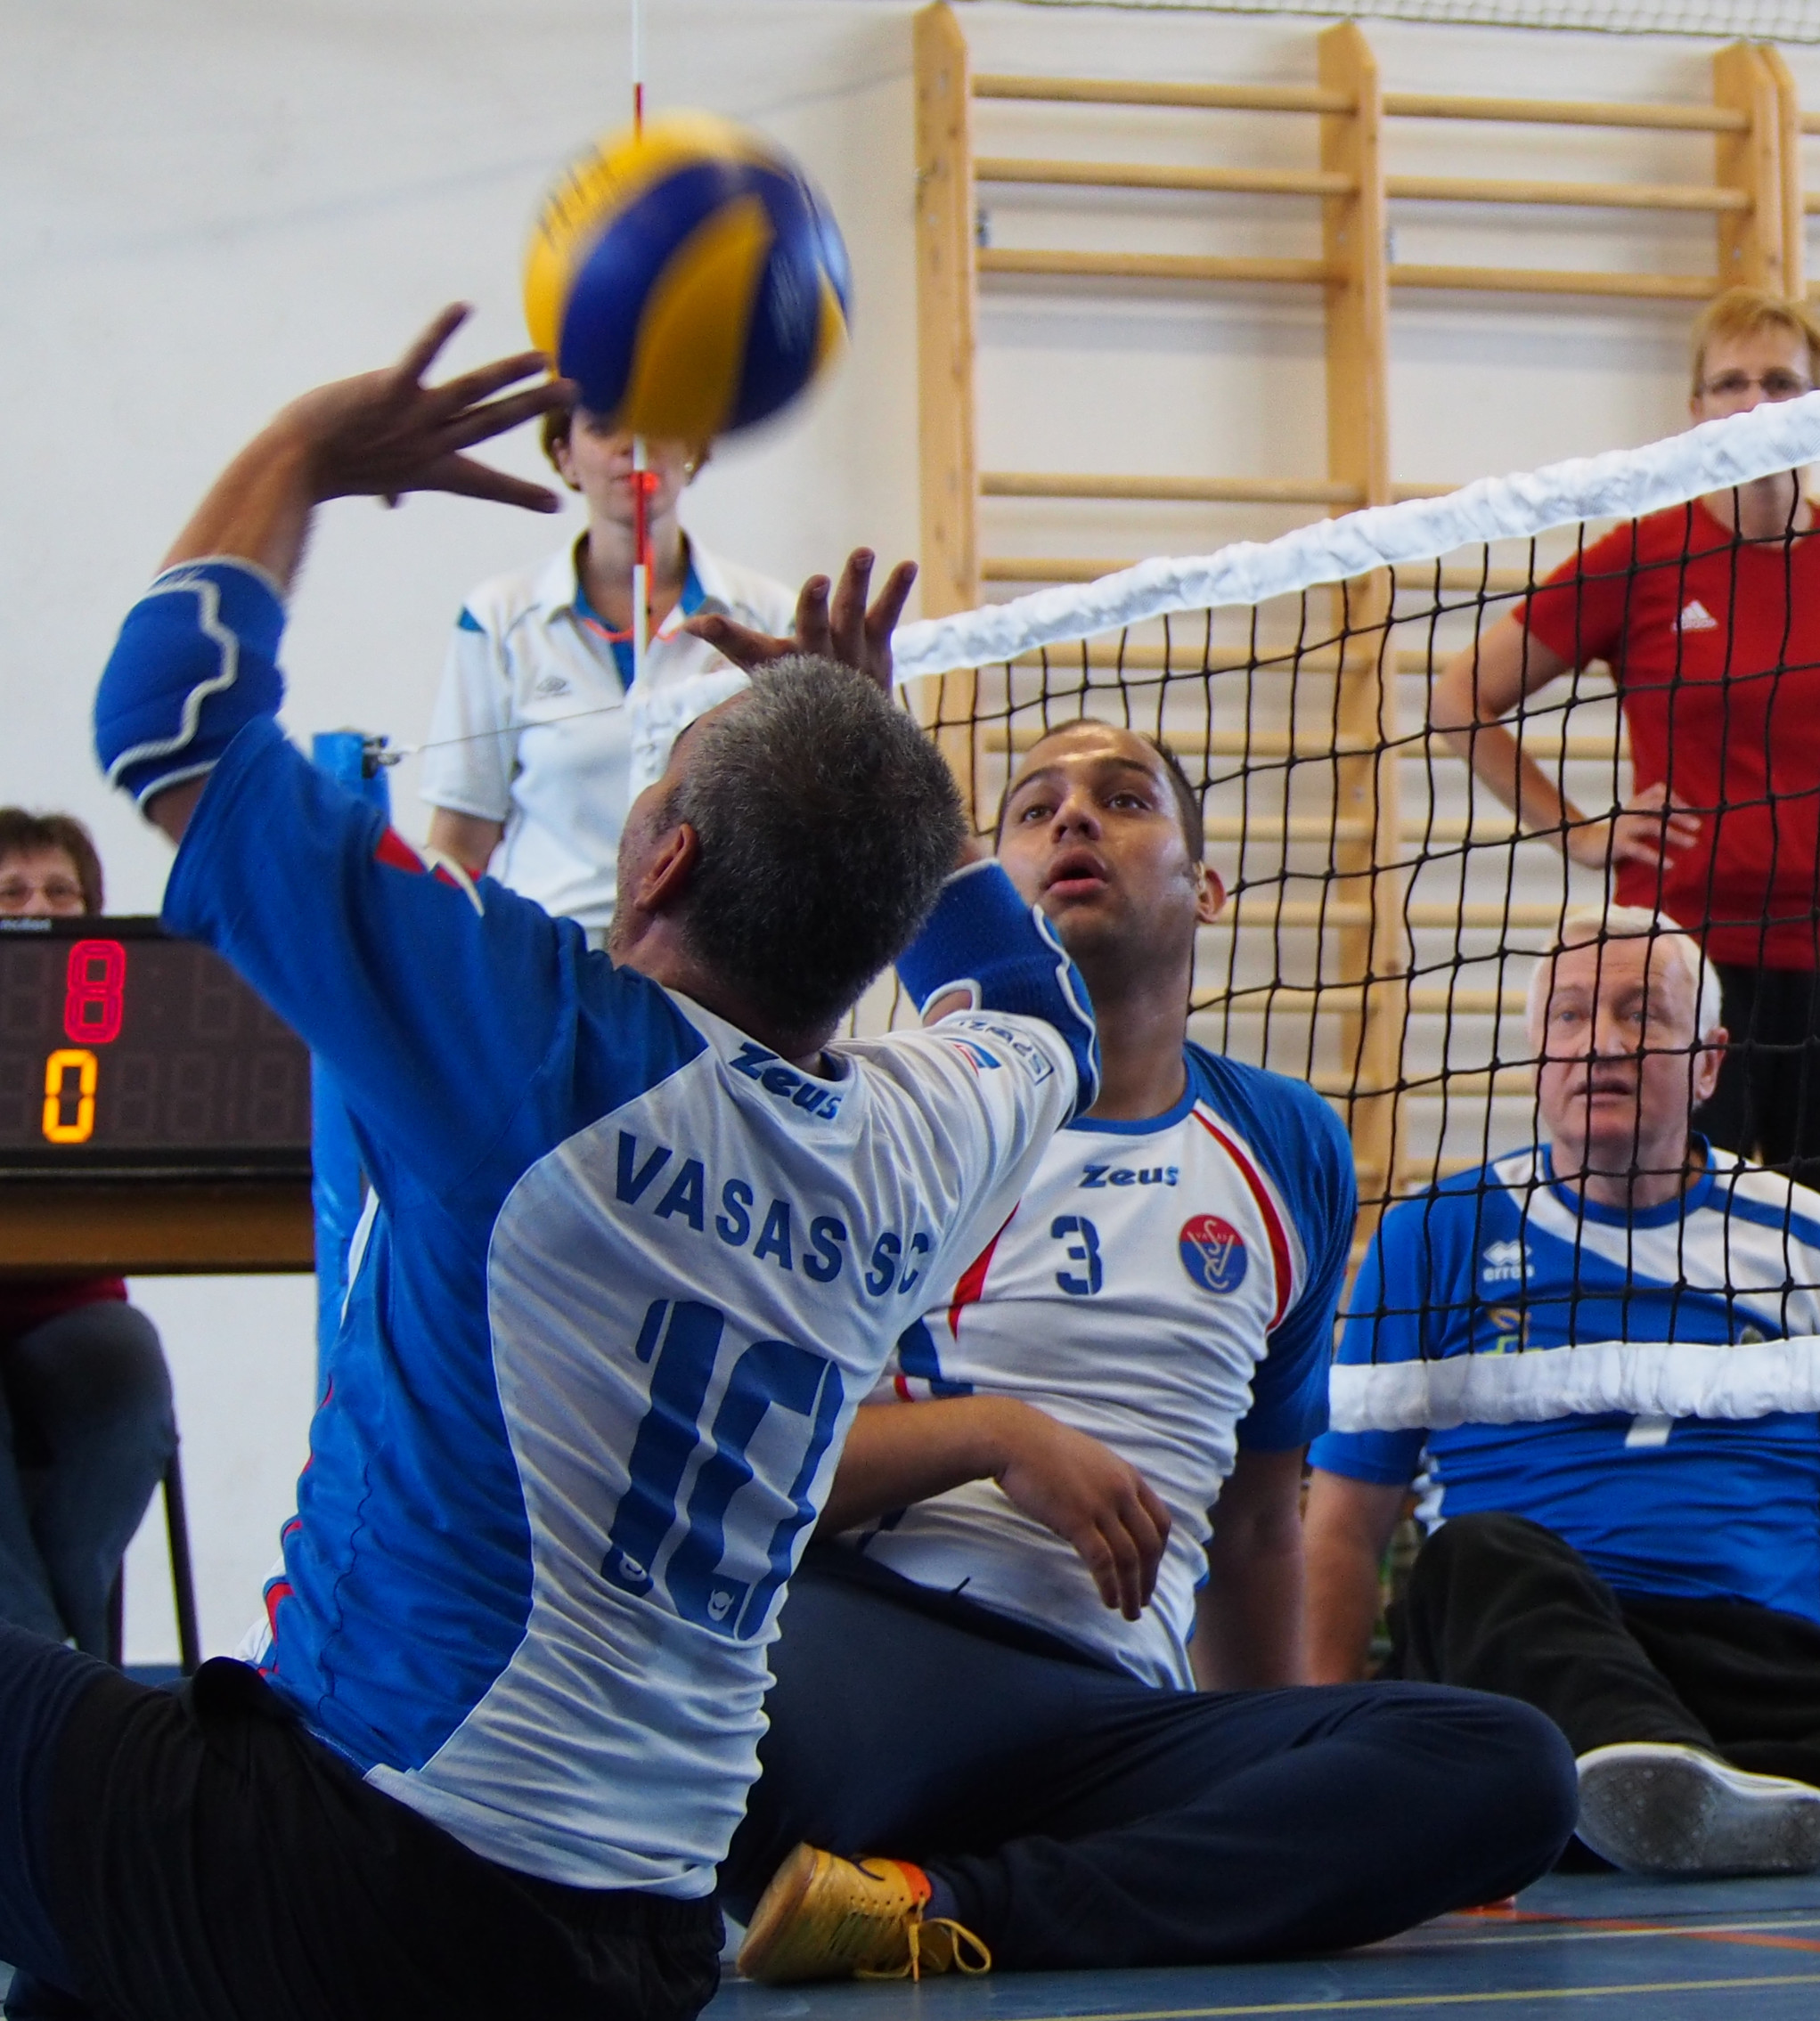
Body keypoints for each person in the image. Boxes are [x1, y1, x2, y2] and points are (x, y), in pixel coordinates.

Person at [2, 308, 1099, 2021]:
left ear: (656, 861)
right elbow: (1041, 1010)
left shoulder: (526, 1044)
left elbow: (169, 718)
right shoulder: (914, 1143)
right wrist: (877, 766)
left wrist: (307, 449)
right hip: (647, 1939)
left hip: (358, 1871)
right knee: (104, 1909)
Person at [720, 721, 1574, 1983]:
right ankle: (1017, 1891)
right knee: (708, 1697)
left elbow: (1259, 1526)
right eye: (1032, 809)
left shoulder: (1285, 1145)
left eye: (1124, 799)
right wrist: (993, 1434)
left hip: (1107, 1719)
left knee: (1509, 1768)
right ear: (984, 889)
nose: (1073, 819)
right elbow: (735, 1470)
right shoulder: (889, 1115)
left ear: (1205, 885)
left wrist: (1285, 1770)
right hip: (871, 1657)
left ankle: (939, 1906)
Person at [1302, 909, 1820, 1877]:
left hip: (1752, 1658)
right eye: (1569, 1016)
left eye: (1641, 1014)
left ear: (1710, 1062)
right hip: (1525, 1638)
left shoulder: (1805, 1239)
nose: (1600, 1043)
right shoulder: (1435, 1236)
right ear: (1535, 1053)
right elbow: (1344, 1520)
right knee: (1477, 1554)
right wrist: (1316, 1754)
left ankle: (1631, 1797)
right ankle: (1653, 1780)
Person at [1425, 290, 1820, 1286]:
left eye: (1780, 382)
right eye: (1731, 382)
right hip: (1680, 969)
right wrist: (1579, 830)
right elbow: (1458, 699)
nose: (1754, 403)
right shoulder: (1640, 558)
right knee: (1676, 1259)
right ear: (1695, 406)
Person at [420, 405, 795, 934]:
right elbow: (460, 842)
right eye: (603, 425)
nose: (632, 448)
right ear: (565, 457)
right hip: (550, 953)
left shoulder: (771, 616)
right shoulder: (497, 619)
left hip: (710, 951)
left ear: (693, 448)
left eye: (657, 422)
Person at [0, 811, 176, 1659]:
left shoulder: (133, 1026)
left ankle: (60, 1641)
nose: (38, 906)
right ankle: (40, 1661)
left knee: (129, 1371)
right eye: (12, 892)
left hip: (76, 1308)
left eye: (60, 891)